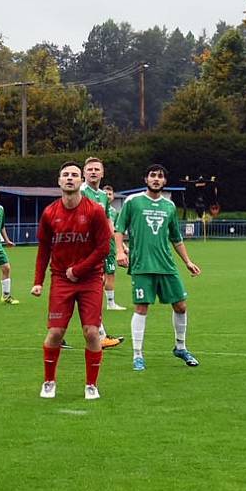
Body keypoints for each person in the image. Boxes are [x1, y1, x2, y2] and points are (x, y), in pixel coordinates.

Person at [31, 162, 112, 400]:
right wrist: (38, 281)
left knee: (91, 332)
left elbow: (103, 247)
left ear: (80, 181)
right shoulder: (49, 213)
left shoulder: (95, 210)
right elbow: (44, 248)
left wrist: (79, 269)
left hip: (89, 279)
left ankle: (91, 385)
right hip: (61, 280)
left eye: (74, 175)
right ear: (59, 181)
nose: (69, 178)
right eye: (65, 175)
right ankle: (49, 381)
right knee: (55, 333)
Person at [114, 164, 201, 372]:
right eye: (152, 175)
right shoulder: (132, 201)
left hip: (166, 265)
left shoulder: (169, 206)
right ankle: (138, 355)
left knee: (181, 306)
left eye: (160, 176)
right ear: (146, 179)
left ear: (164, 182)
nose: (156, 179)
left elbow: (176, 238)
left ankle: (180, 347)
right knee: (142, 307)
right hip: (142, 265)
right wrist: (119, 251)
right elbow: (119, 229)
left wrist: (188, 262)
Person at [80, 158, 124, 348]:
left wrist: (119, 247)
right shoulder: (81, 192)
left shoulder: (103, 196)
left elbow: (108, 222)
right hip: (82, 251)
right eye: (89, 169)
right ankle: (99, 335)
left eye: (97, 169)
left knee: (94, 288)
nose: (93, 172)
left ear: (102, 173)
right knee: (89, 292)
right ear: (84, 172)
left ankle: (99, 334)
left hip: (97, 250)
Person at [102, 184, 127, 311]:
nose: (107, 196)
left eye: (110, 194)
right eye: (105, 194)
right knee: (105, 275)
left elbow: (116, 232)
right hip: (102, 247)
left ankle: (109, 302)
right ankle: (110, 304)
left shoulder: (114, 213)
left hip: (111, 248)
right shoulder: (97, 208)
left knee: (109, 274)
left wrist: (122, 247)